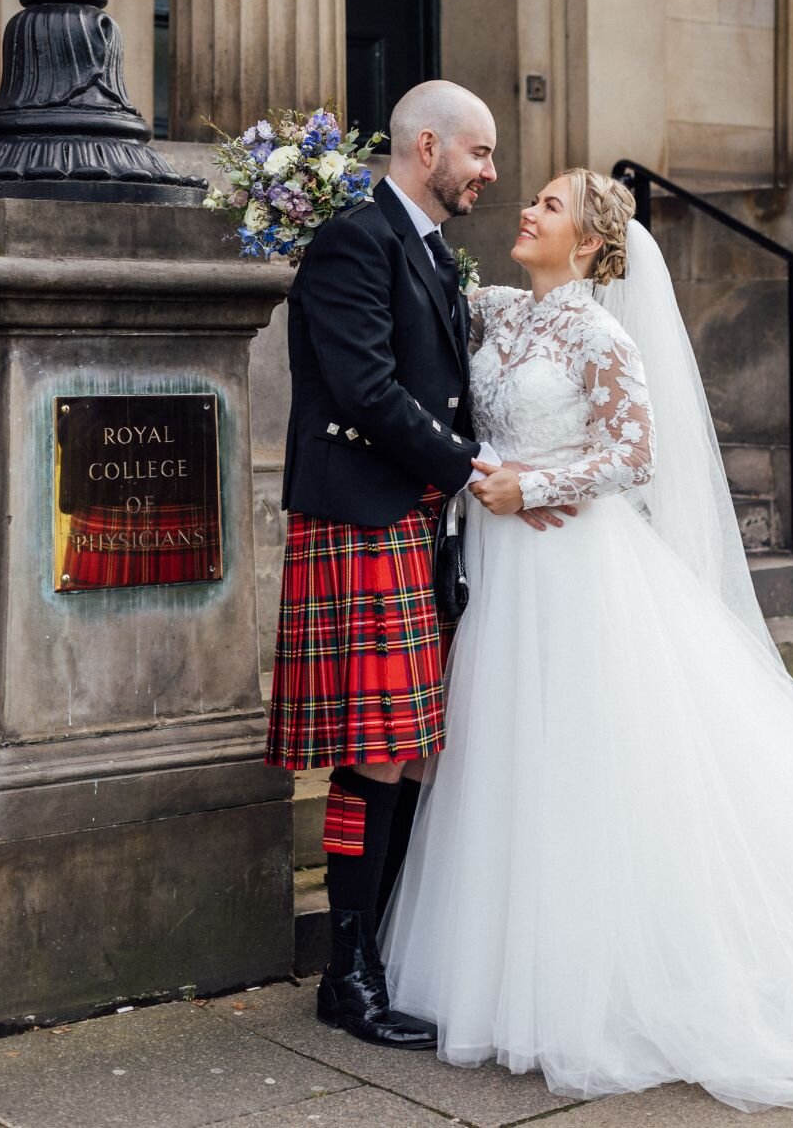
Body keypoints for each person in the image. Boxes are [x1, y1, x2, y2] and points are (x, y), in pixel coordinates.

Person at [382, 168, 793, 1111]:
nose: (530, 211)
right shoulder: (494, 311)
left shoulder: (598, 332)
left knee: (589, 760)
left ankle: (604, 982)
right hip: (503, 570)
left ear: (586, 243)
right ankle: (517, 963)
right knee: (514, 758)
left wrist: (530, 488)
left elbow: (634, 455)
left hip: (576, 568)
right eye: (533, 197)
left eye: (550, 205)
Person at [265, 80, 570, 1049]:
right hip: (363, 514)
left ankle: (376, 949)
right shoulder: (358, 239)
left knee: (406, 746)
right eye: (478, 155)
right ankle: (348, 975)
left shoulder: (429, 251)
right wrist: (474, 471)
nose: (490, 173)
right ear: (426, 146)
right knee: (376, 748)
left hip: (411, 517)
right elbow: (364, 385)